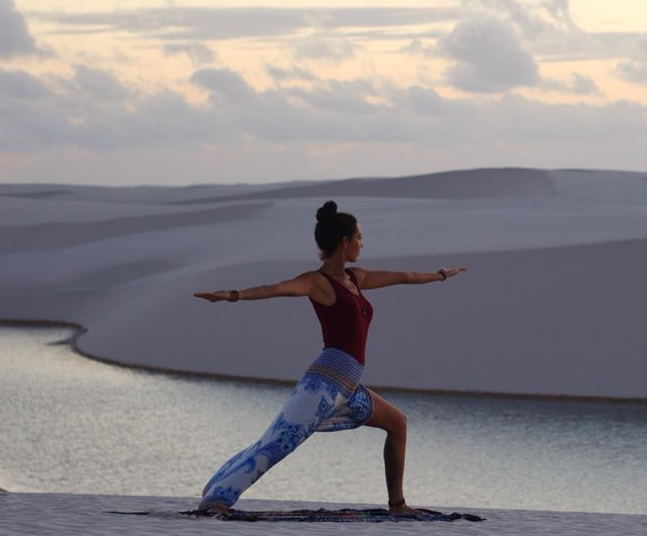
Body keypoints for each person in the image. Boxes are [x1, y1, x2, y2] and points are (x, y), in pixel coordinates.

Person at [192, 200, 466, 517]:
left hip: (348, 389)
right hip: (321, 387)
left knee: (397, 424)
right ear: (344, 242)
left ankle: (398, 505)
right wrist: (231, 295)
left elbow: (403, 276)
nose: (362, 243)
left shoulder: (357, 278)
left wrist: (440, 276)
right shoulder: (318, 283)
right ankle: (215, 501)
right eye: (359, 237)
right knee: (277, 444)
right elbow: (275, 288)